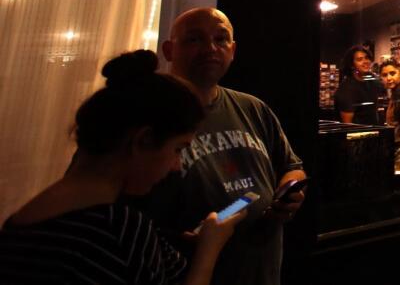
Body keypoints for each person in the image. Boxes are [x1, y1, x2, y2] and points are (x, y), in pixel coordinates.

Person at [0, 51, 243, 284]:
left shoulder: (21, 220)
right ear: (143, 140)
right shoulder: (118, 229)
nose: (176, 166)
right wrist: (209, 252)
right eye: (178, 149)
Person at [145, 7, 306, 285]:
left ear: (232, 50)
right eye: (195, 39)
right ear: (169, 50)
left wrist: (289, 193)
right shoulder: (147, 115)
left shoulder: (253, 108)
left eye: (221, 40)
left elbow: (293, 167)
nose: (210, 48)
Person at [334, 45, 386, 125]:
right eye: (359, 59)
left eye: (367, 58)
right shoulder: (347, 89)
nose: (365, 61)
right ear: (352, 65)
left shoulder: (372, 81)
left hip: (375, 132)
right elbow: (347, 125)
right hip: (358, 134)